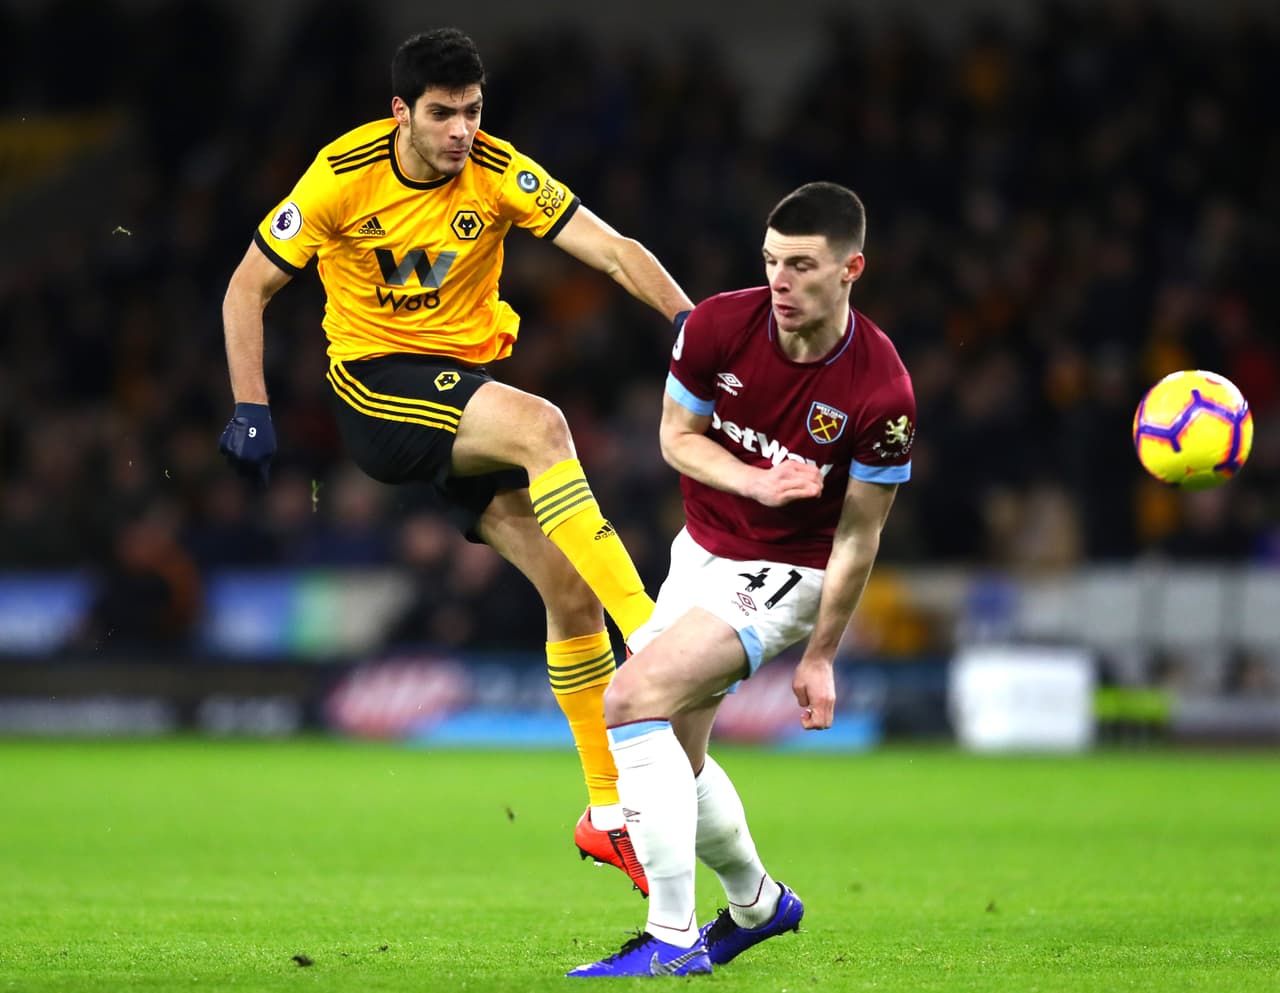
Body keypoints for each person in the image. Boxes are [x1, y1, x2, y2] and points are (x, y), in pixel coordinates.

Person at [217, 27, 693, 896]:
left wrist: (691, 325)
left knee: (569, 586)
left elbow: (614, 249)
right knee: (544, 425)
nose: (462, 130)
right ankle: (655, 634)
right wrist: (251, 405)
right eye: (443, 113)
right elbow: (247, 285)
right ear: (401, 112)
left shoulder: (499, 171)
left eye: (473, 110)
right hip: (374, 388)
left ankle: (607, 810)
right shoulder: (340, 174)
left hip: (460, 392)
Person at [567, 182, 915, 977]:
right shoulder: (717, 326)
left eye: (801, 265)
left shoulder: (881, 390)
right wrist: (758, 481)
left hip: (789, 571)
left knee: (630, 699)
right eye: (770, 261)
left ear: (851, 268)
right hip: (701, 550)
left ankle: (672, 938)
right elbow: (675, 438)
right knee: (676, 756)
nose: (779, 282)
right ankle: (759, 903)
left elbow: (859, 535)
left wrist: (821, 655)